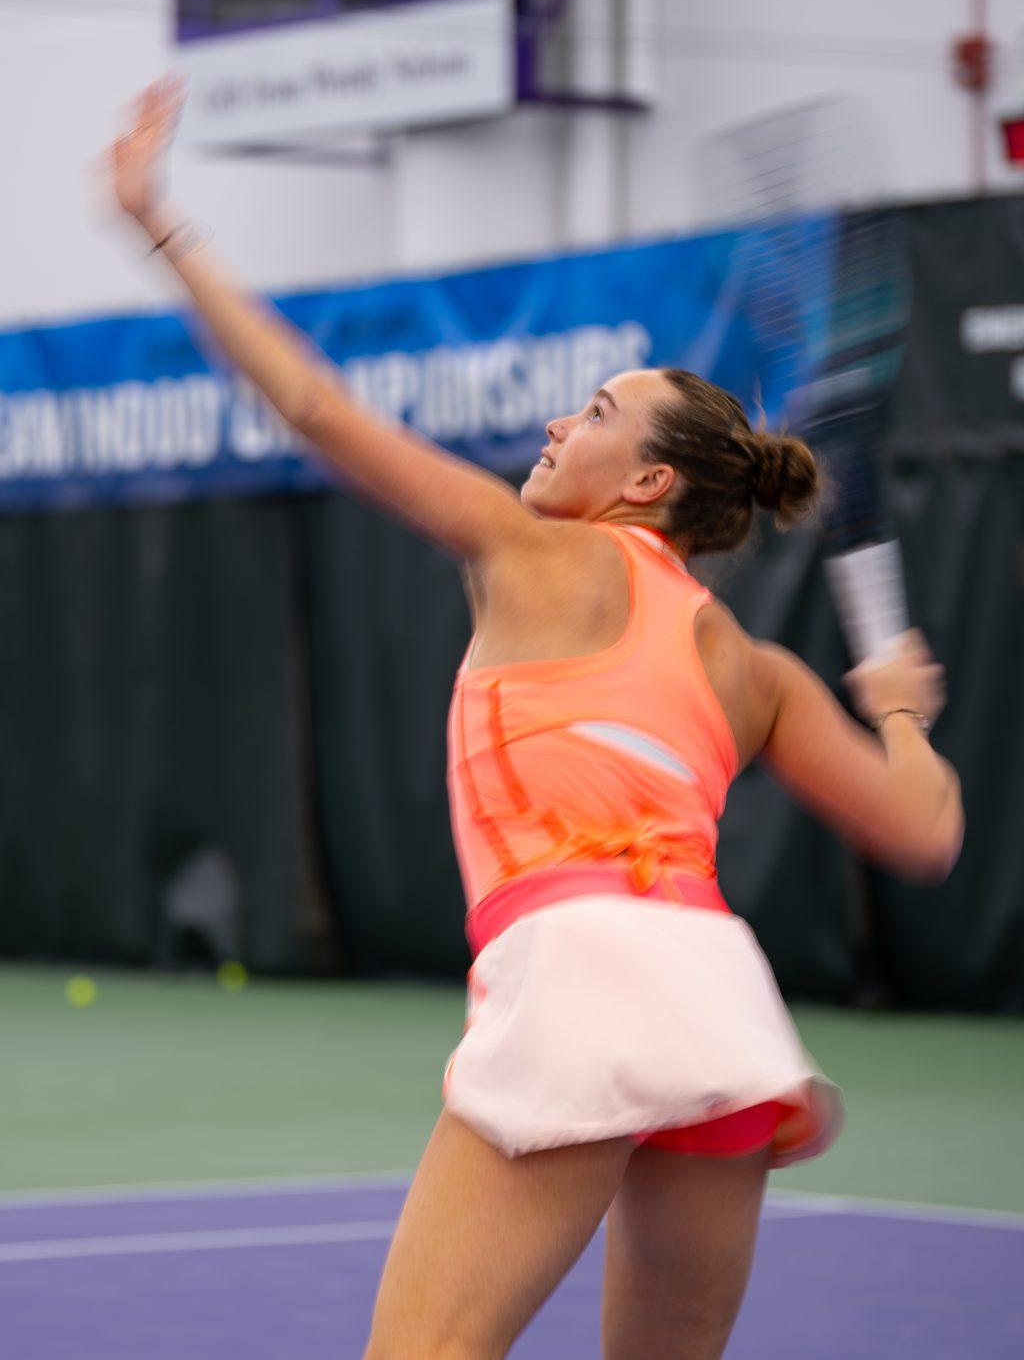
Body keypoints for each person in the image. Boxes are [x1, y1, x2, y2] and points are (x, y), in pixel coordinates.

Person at [107, 77, 963, 1360]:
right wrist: (899, 708)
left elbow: (317, 408)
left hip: (579, 974)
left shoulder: (531, 551)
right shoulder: (758, 668)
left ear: (651, 482)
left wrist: (162, 225)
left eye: (599, 413)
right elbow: (924, 830)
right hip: (717, 1001)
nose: (563, 423)